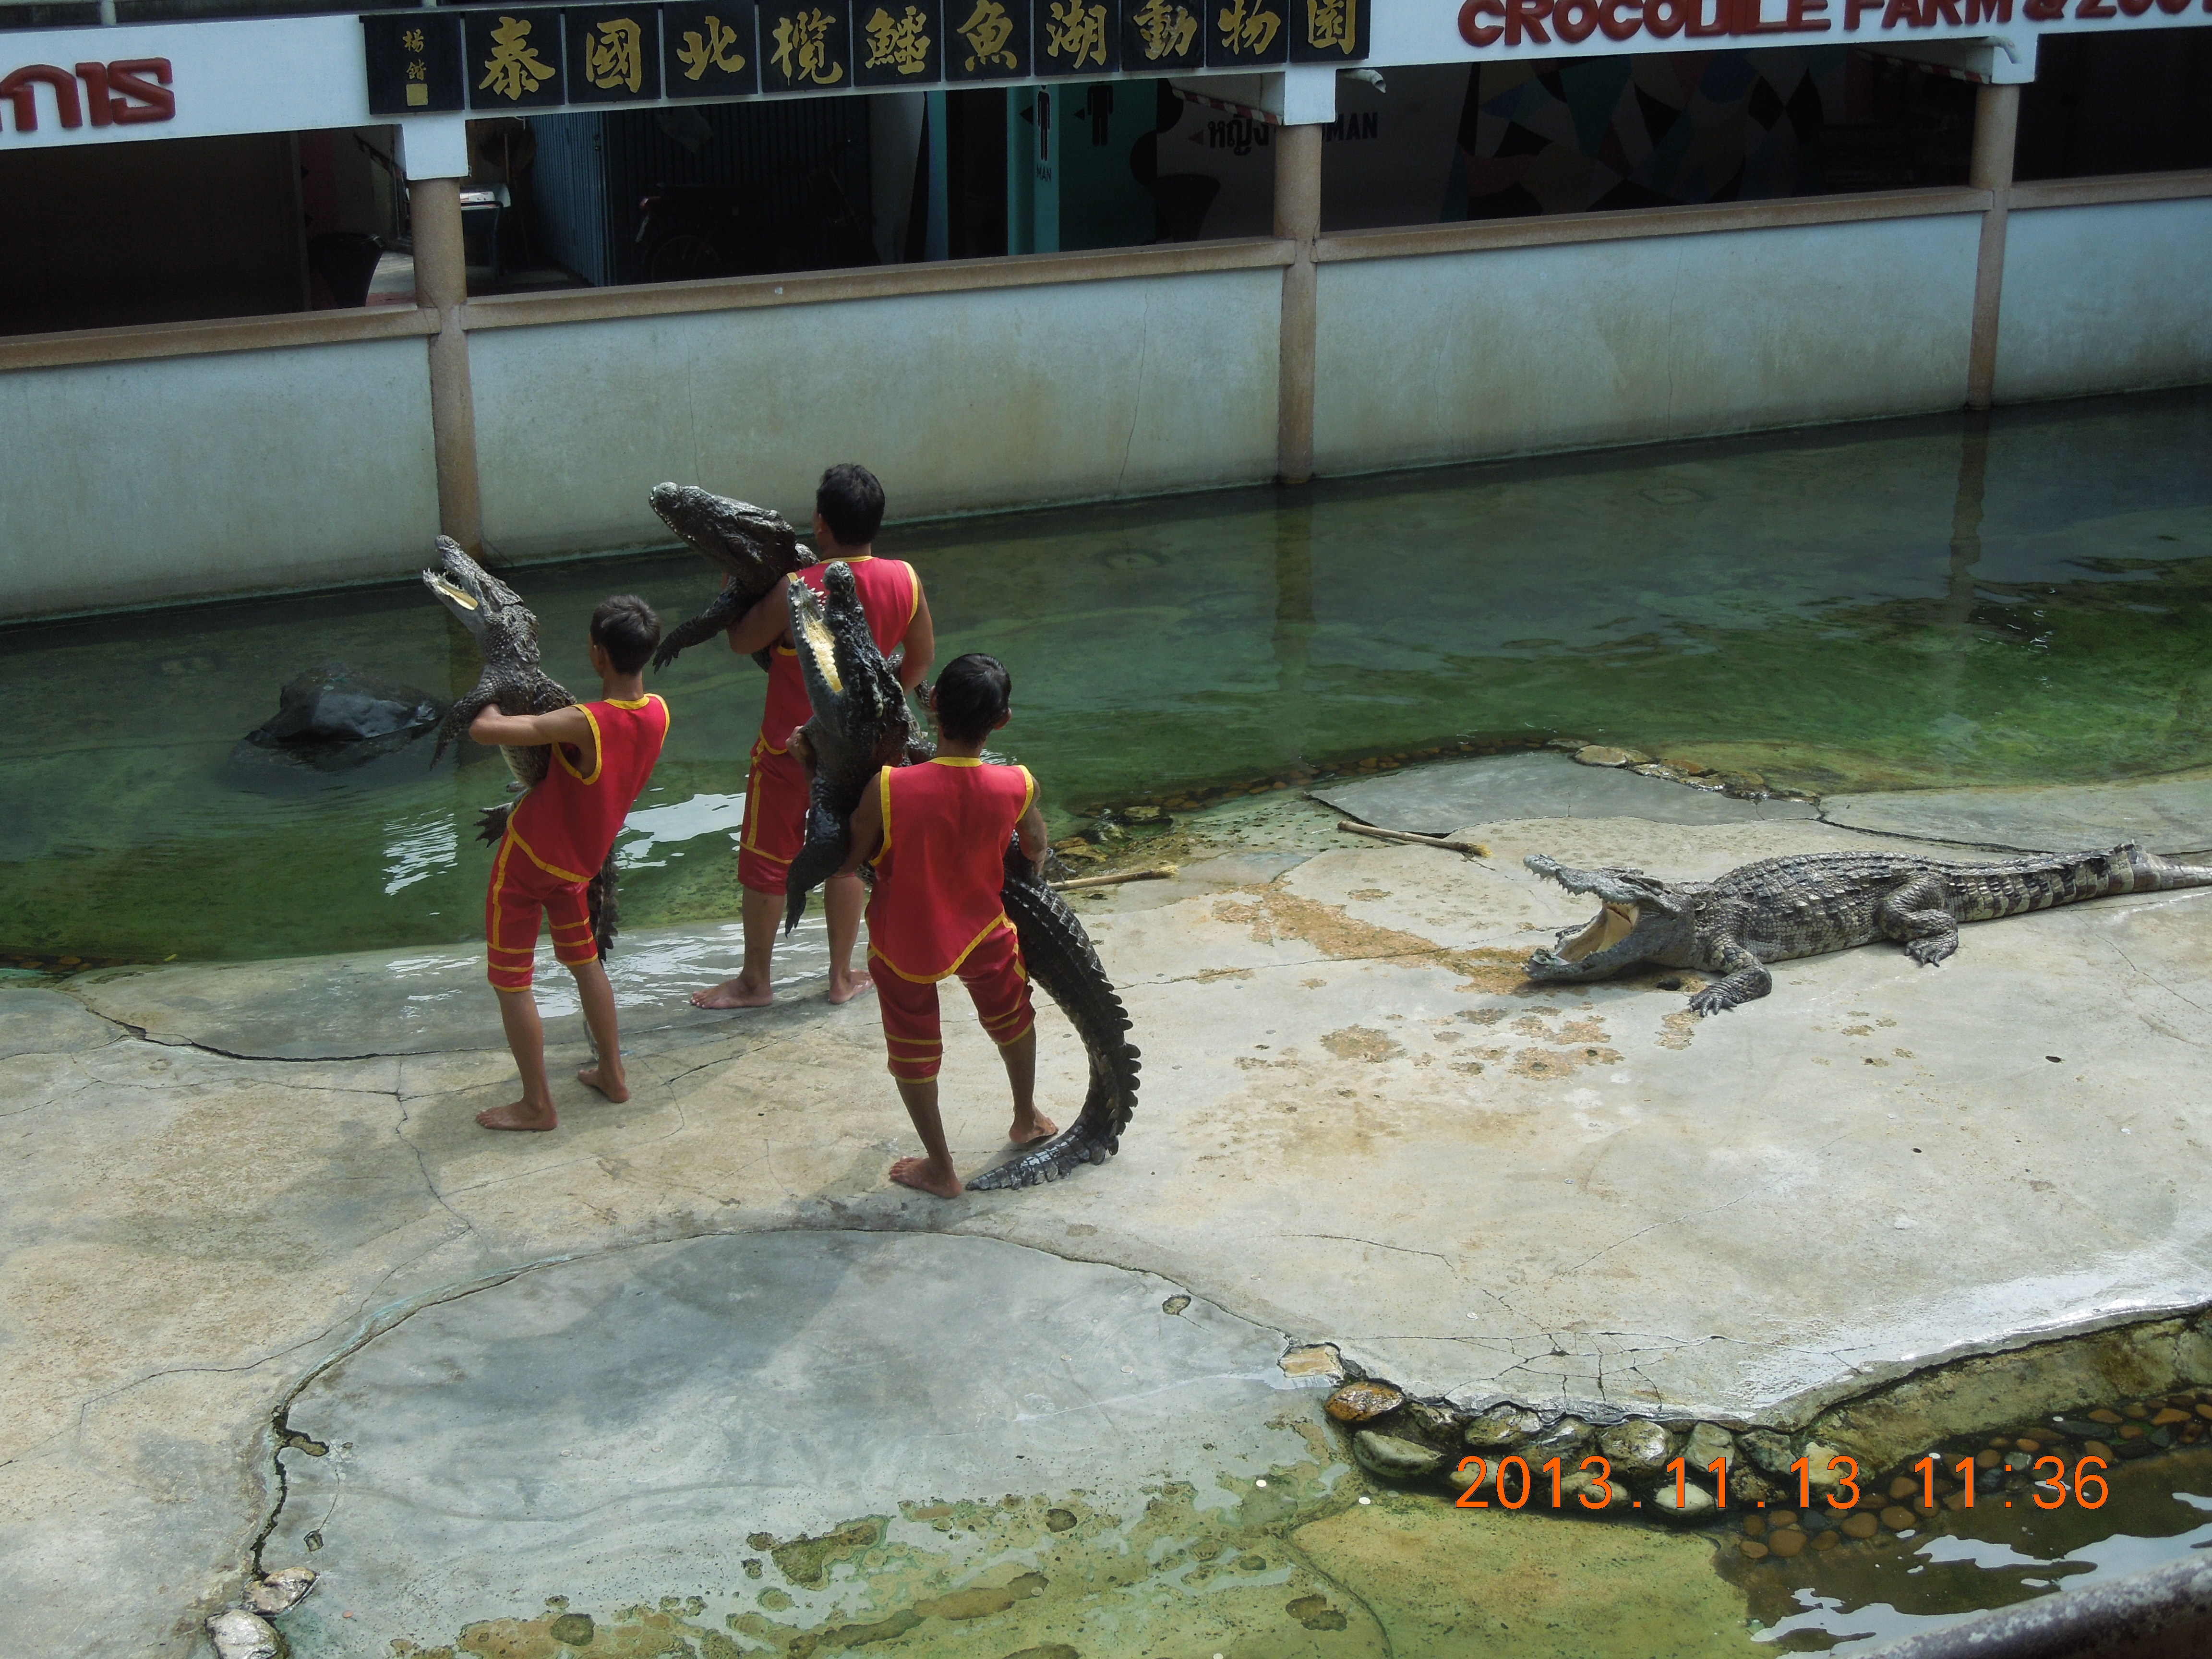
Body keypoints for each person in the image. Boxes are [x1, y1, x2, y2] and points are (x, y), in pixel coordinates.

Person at [691, 462, 934, 1010]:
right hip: (862, 755)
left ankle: (756, 981)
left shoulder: (799, 586)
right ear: (876, 522)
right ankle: (841, 976)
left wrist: (732, 587)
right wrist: (877, 704)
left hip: (789, 747)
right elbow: (920, 660)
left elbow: (741, 641)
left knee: (766, 860)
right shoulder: (906, 579)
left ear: (820, 524)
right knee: (848, 856)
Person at [832, 653, 1055, 1198]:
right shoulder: (1017, 784)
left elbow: (849, 859)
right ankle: (1026, 1116)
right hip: (982, 925)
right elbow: (1036, 847)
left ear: (932, 705)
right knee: (1011, 1016)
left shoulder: (889, 788)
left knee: (912, 1046)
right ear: (1002, 721)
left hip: (906, 935)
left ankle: (942, 1168)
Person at [469, 595, 670, 1132]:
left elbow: (487, 732)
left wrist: (488, 694)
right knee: (585, 963)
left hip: (530, 860)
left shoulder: (584, 723)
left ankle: (537, 1104)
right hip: (580, 865)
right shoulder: (659, 713)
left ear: (597, 654)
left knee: (512, 981)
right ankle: (613, 1073)